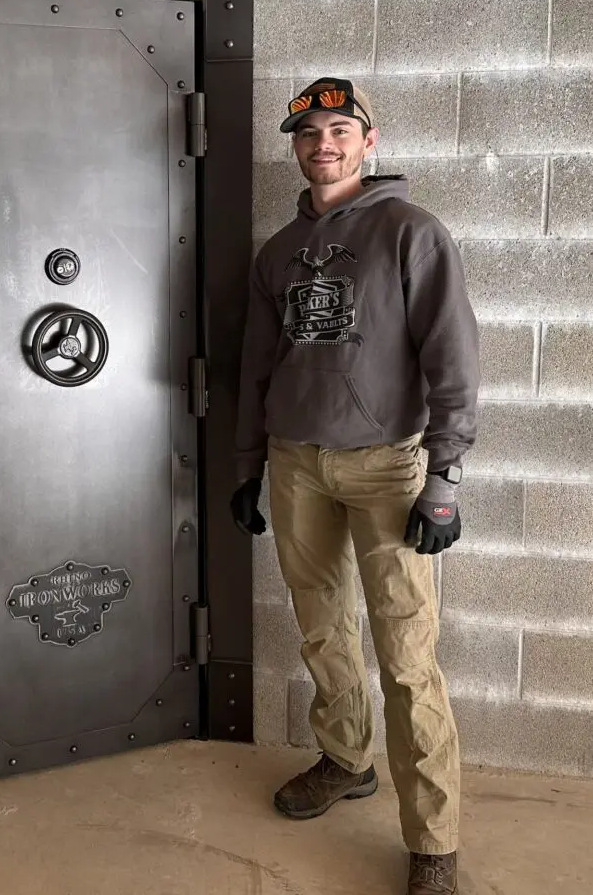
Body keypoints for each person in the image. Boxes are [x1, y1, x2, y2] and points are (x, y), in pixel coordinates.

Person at [231, 78, 479, 895]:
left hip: (387, 468)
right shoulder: (276, 254)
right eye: (309, 133)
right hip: (298, 463)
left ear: (369, 142)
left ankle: (434, 842)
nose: (323, 144)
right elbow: (257, 371)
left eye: (341, 129)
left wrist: (443, 476)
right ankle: (345, 759)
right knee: (321, 630)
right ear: (295, 148)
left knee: (408, 655)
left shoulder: (412, 233)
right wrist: (248, 465)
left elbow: (452, 359)